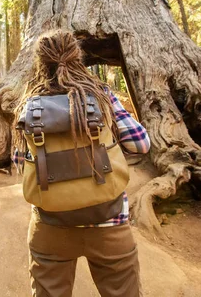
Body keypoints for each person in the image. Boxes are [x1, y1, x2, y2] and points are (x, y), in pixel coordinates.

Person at [12, 30, 151, 297]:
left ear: (41, 63)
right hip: (110, 223)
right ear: (78, 58)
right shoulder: (101, 96)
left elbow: (20, 162)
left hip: (50, 227)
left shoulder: (29, 104)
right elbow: (141, 144)